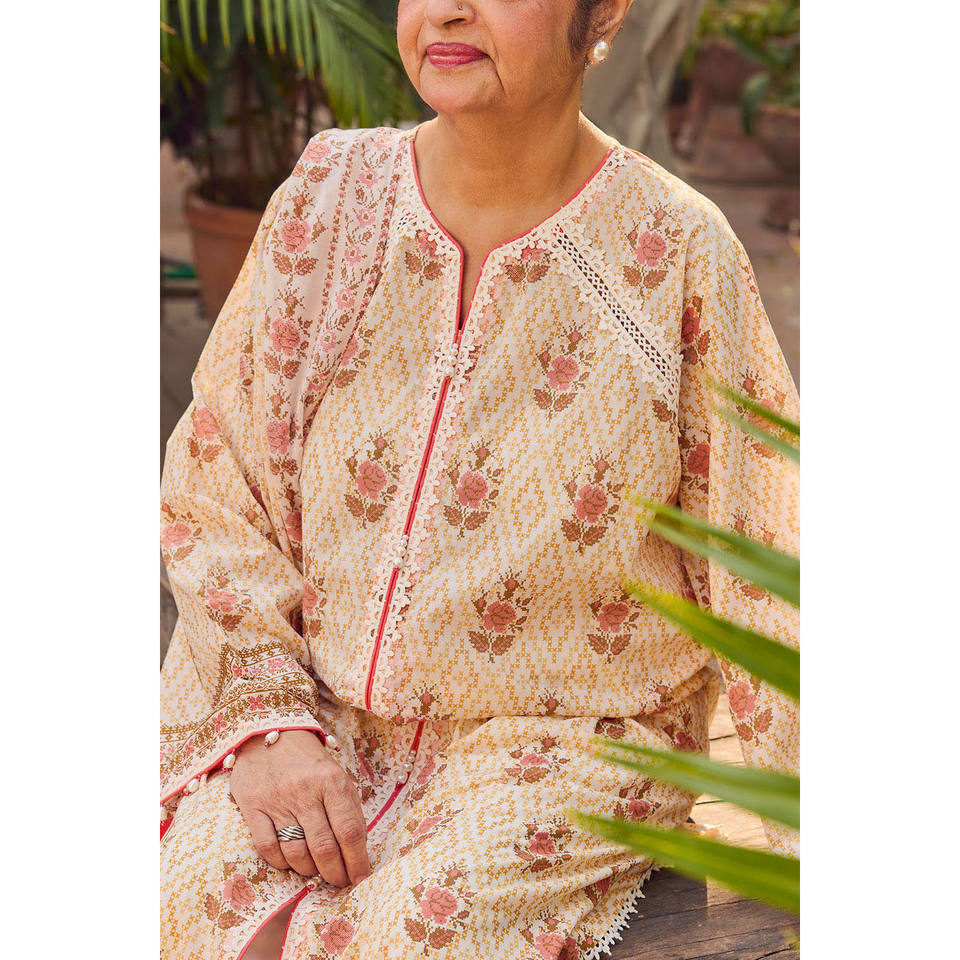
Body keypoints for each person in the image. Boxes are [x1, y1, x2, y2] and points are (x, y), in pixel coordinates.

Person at [159, 0, 800, 957]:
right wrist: (269, 725)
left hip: (562, 746)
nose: (447, 9)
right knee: (187, 906)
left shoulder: (674, 252)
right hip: (314, 705)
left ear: (603, 11)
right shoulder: (329, 198)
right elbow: (219, 482)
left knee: (398, 940)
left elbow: (767, 561)